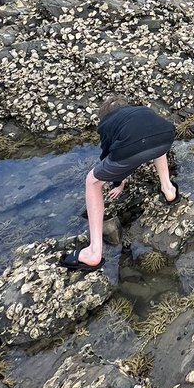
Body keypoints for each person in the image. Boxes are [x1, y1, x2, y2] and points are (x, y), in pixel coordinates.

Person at [60, 99, 177, 272]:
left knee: (92, 181)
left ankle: (94, 251)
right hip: (166, 136)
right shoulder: (141, 110)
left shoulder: (106, 124)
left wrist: (118, 182)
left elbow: (110, 156)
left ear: (105, 115)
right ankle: (168, 190)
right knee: (153, 141)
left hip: (131, 147)